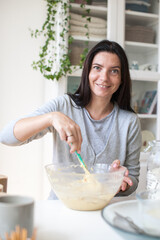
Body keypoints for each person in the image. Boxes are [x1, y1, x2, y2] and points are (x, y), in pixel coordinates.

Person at [0, 40, 142, 199]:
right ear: (87, 71)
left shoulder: (129, 121)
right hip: (60, 208)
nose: (104, 77)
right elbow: (6, 137)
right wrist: (51, 117)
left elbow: (133, 179)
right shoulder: (63, 106)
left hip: (102, 211)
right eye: (97, 68)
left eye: (114, 71)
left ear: (122, 78)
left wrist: (118, 183)